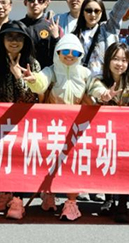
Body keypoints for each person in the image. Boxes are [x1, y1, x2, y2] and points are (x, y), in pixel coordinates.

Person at [25, 34, 103, 221]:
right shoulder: (50, 70)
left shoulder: (84, 73)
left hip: (76, 128)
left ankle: (71, 202)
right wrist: (33, 80)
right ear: (57, 52)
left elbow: (96, 87)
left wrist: (104, 94)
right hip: (52, 127)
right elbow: (41, 83)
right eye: (65, 51)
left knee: (72, 165)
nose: (70, 55)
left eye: (75, 52)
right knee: (49, 162)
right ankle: (49, 195)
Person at [0, 21, 41, 219]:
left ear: (25, 41)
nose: (14, 41)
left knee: (21, 159)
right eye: (10, 37)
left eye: (18, 38)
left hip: (25, 122)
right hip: (1, 122)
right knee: (5, 158)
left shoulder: (32, 64)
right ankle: (5, 191)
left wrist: (19, 77)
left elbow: (32, 98)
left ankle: (18, 199)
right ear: (2, 40)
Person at [94, 42, 129, 223]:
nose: (120, 64)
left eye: (124, 60)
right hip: (104, 130)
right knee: (107, 162)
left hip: (126, 131)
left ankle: (123, 203)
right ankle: (108, 199)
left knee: (125, 165)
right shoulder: (98, 78)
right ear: (108, 60)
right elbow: (95, 90)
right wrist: (104, 95)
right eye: (115, 59)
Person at [19, 0, 60, 68]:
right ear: (25, 2)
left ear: (46, 4)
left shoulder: (52, 27)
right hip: (21, 71)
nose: (35, 2)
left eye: (40, 0)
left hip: (45, 73)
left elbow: (59, 54)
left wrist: (56, 38)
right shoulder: (18, 26)